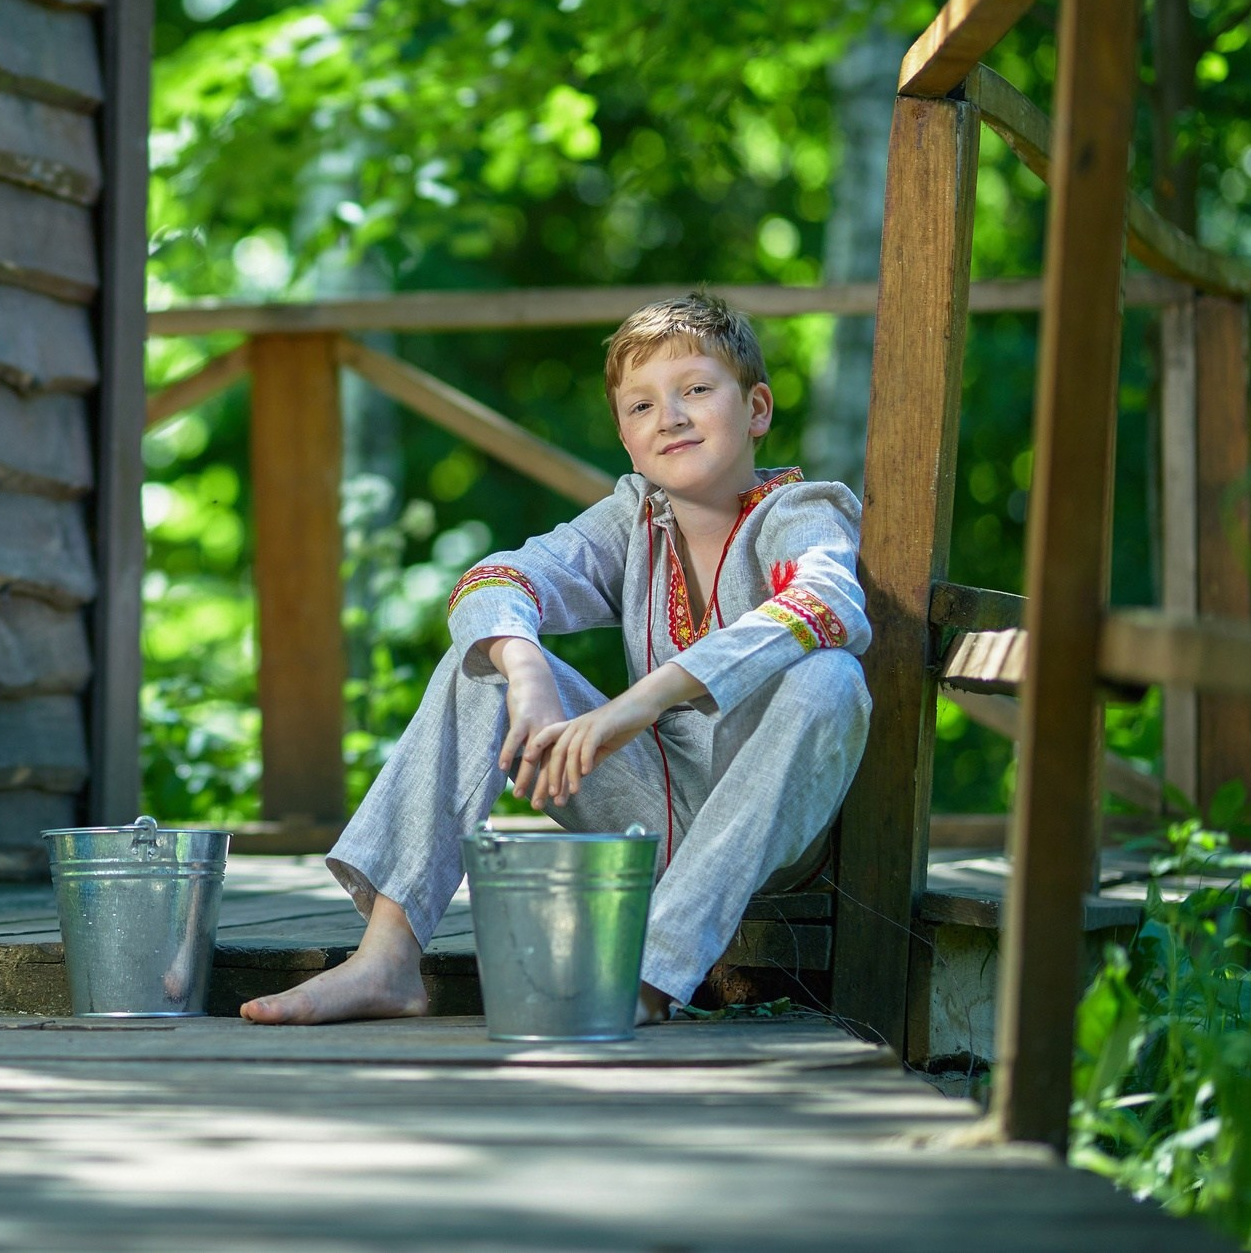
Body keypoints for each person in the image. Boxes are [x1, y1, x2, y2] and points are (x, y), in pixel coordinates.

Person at [242, 292, 872, 1026]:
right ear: (626, 438)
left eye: (696, 389)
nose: (669, 415)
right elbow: (492, 578)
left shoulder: (802, 512)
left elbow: (826, 604)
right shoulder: (633, 519)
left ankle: (643, 977)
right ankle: (387, 955)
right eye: (641, 405)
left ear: (757, 407)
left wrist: (642, 702)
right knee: (485, 663)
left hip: (770, 831)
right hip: (651, 806)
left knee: (830, 678)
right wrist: (526, 667)